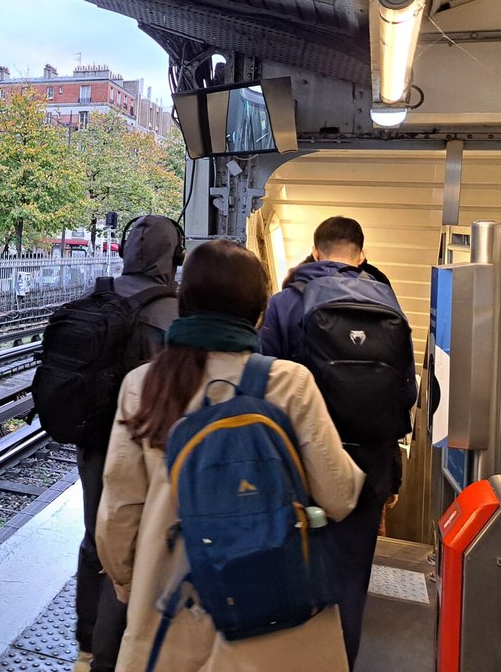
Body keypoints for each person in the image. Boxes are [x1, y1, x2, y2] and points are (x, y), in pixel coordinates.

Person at [96, 239, 364, 671]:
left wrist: (132, 588)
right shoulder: (290, 382)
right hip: (277, 619)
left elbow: (118, 515)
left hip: (172, 610)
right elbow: (338, 495)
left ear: (184, 300)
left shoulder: (144, 384)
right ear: (258, 311)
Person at [259, 216, 417, 669]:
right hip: (367, 471)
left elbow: (266, 385)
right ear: (361, 256)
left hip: (300, 470)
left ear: (315, 252)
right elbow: (406, 392)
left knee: (290, 575)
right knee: (350, 581)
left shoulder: (286, 302)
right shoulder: (389, 301)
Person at [74, 216, 182, 672]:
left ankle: (85, 642)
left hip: (91, 443)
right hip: (145, 447)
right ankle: (113, 651)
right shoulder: (172, 314)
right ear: (173, 259)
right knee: (135, 543)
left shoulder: (92, 297)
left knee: (97, 537)